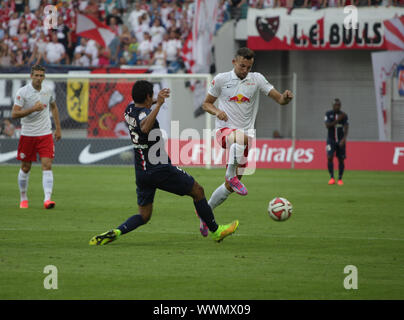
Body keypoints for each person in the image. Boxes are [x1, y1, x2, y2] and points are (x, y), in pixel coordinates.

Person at [89, 80, 239, 245]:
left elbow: (141, 111)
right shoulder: (145, 115)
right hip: (158, 168)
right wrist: (158, 105)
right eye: (151, 95)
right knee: (198, 191)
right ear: (147, 96)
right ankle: (216, 231)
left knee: (144, 216)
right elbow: (145, 127)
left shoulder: (129, 110)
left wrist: (156, 100)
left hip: (142, 171)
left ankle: (117, 232)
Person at [197, 47, 293, 236]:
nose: (245, 70)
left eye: (248, 67)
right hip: (224, 131)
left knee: (229, 188)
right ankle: (231, 175)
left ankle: (205, 213)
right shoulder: (222, 79)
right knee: (238, 142)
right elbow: (206, 103)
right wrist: (217, 112)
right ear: (234, 62)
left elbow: (279, 99)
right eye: (242, 66)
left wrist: (286, 98)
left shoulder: (256, 79)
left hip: (245, 138)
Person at [11, 64, 62, 209]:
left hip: (45, 133)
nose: (39, 78)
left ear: (44, 77)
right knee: (26, 167)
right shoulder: (23, 92)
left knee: (47, 165)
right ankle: (23, 198)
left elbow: (54, 107)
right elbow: (14, 114)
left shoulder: (48, 90)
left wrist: (58, 128)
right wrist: (33, 108)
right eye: (36, 75)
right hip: (28, 134)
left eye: (41, 75)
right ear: (31, 76)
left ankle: (47, 199)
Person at [324, 98, 349, 186]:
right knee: (329, 157)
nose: (337, 106)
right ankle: (331, 177)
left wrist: (344, 139)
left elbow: (346, 127)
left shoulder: (344, 115)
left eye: (339, 105)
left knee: (341, 159)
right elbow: (328, 125)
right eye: (335, 105)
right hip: (331, 140)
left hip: (340, 140)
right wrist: (338, 120)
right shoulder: (328, 114)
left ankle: (340, 179)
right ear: (333, 105)